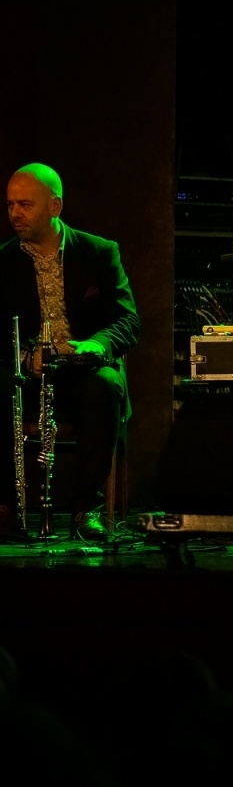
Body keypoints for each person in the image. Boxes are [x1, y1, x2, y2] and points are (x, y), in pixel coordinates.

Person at [0, 164, 140, 540]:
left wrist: (98, 344)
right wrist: (25, 358)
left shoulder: (99, 252)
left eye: (25, 204)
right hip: (28, 374)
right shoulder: (3, 261)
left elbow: (128, 320)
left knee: (106, 385)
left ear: (55, 206)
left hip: (81, 371)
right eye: (10, 204)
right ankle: (6, 508)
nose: (15, 213)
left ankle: (85, 510)